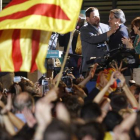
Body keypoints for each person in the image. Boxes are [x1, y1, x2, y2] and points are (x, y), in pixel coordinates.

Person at [80, 7, 118, 74]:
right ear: (87, 19)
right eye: (94, 17)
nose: (97, 18)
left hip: (105, 66)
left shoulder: (105, 27)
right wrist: (111, 31)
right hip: (91, 67)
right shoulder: (84, 29)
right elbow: (94, 39)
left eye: (98, 15)